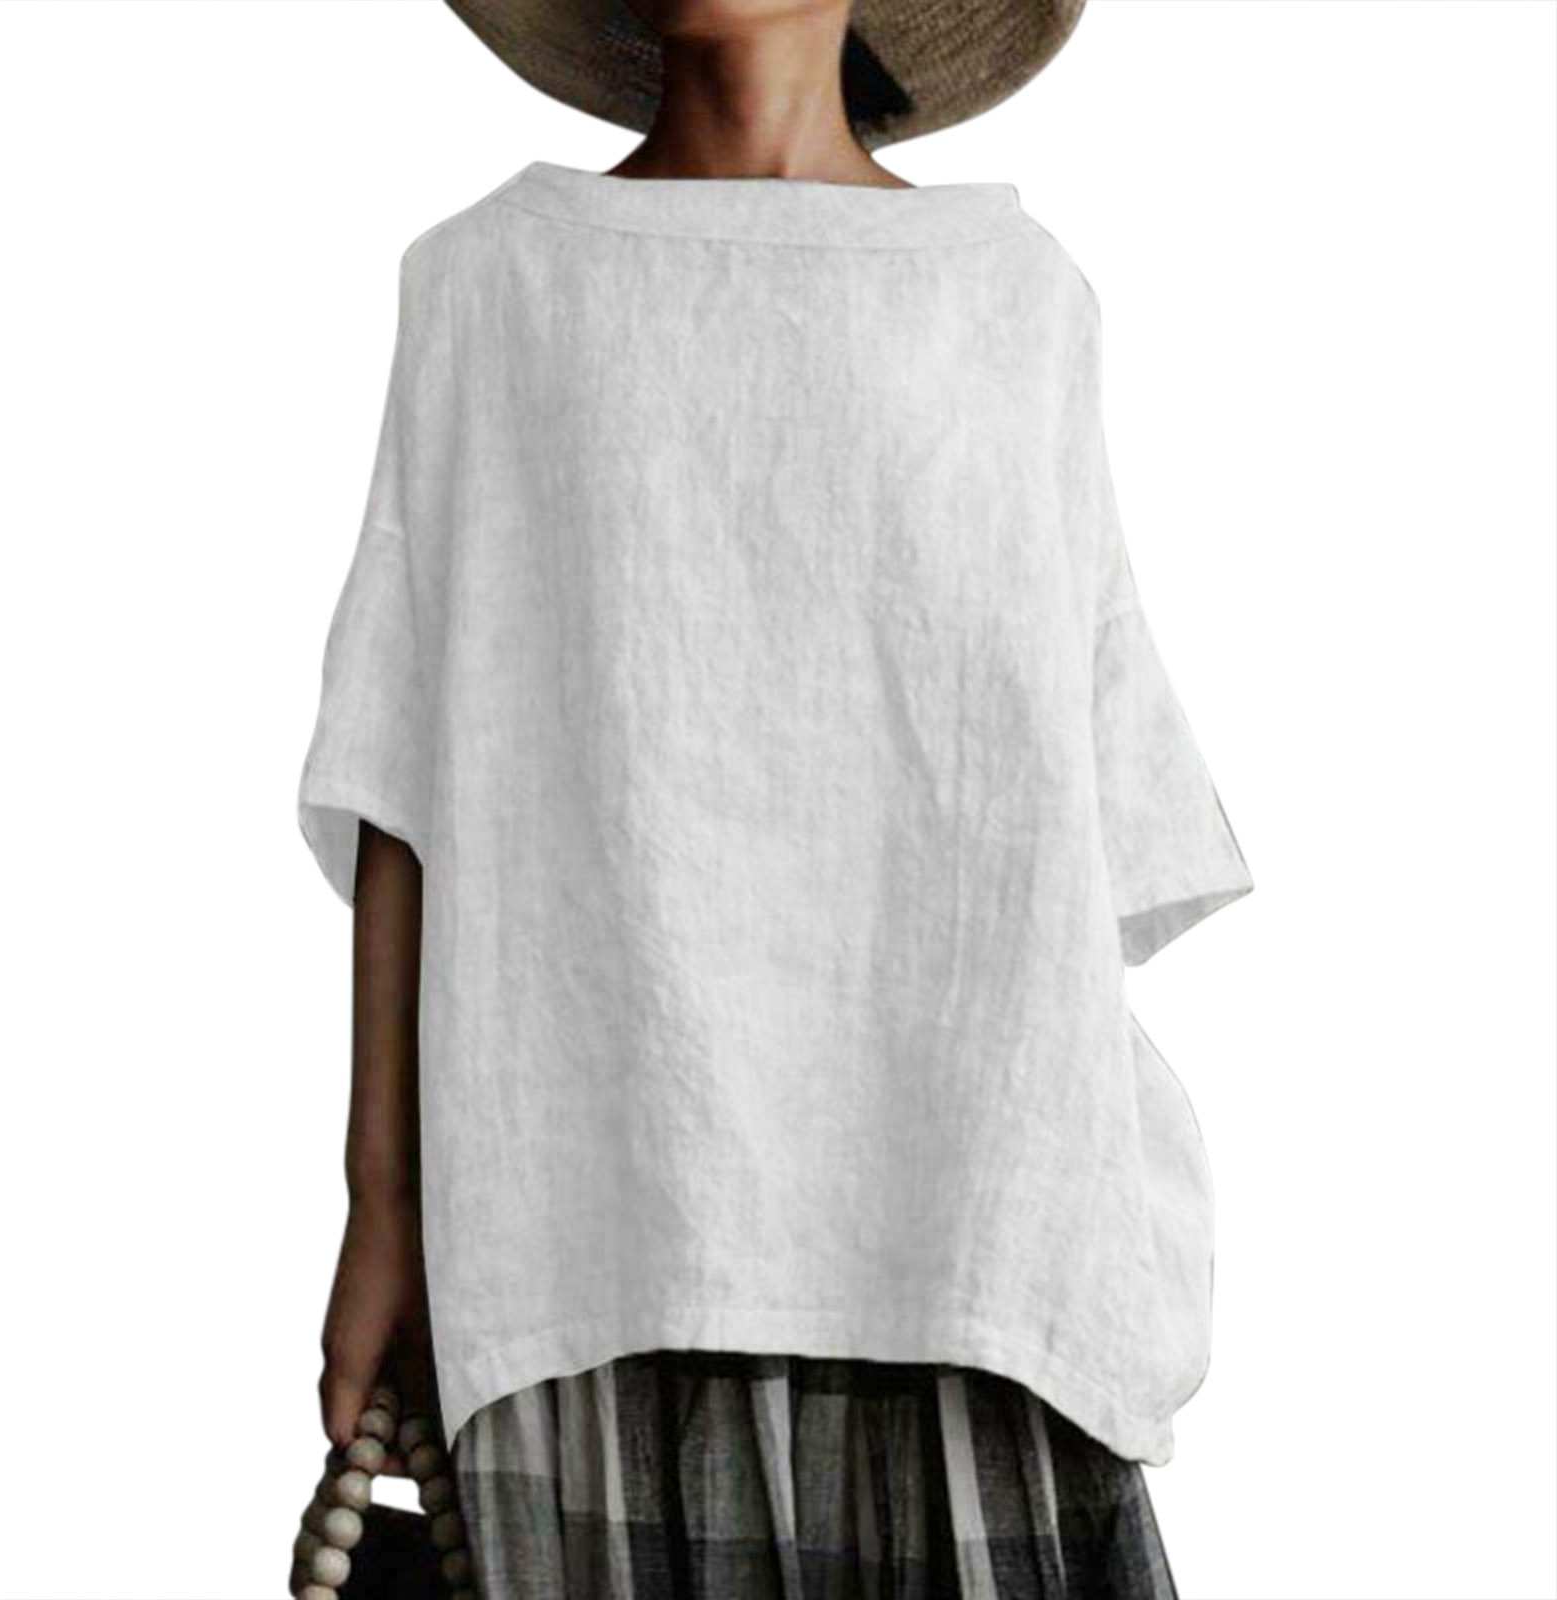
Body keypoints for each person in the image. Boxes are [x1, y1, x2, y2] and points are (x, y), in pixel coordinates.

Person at [296, 0, 1255, 1592]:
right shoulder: (487, 286)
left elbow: (1080, 807)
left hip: (975, 1224)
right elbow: (404, 768)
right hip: (587, 1225)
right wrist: (378, 1210)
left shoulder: (1016, 300)